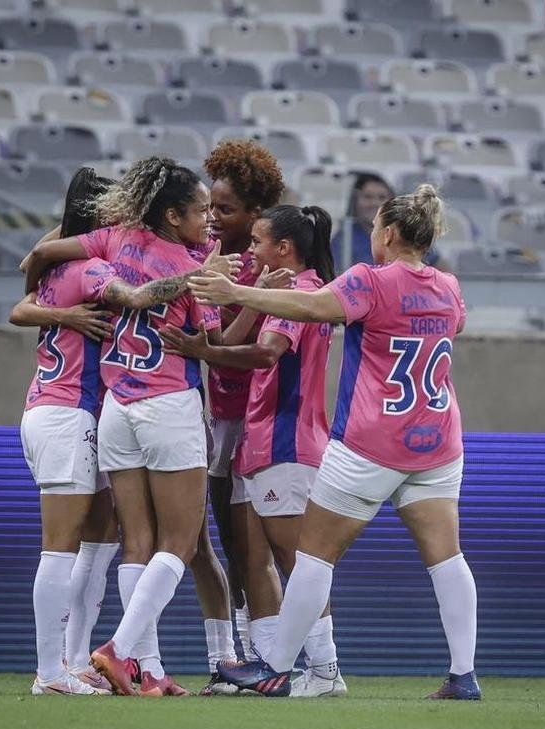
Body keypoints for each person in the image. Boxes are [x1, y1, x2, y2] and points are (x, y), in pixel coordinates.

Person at [189, 185, 480, 700]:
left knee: (314, 556)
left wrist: (238, 293)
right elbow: (448, 327)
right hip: (437, 441)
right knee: (447, 558)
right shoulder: (449, 287)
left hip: (371, 442)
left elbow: (311, 305)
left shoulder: (372, 280)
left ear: (388, 233)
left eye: (374, 229)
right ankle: (463, 675)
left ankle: (275, 668)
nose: (371, 236)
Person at [11, 167, 235, 695]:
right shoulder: (176, 261)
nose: (207, 218)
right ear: (173, 214)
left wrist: (48, 306)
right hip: (163, 404)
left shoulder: (112, 242)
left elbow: (37, 259)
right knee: (178, 542)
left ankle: (146, 667)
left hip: (114, 408)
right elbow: (212, 339)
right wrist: (221, 282)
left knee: (133, 541)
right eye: (200, 210)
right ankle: (115, 651)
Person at [162, 204, 346, 698]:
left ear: (284, 248)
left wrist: (200, 352)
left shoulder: (304, 293)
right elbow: (236, 338)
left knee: (296, 559)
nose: (250, 251)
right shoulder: (279, 290)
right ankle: (266, 666)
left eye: (259, 242)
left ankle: (326, 671)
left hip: (287, 442)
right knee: (255, 555)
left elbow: (265, 352)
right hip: (260, 440)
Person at [193, 140, 286, 688]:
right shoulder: (210, 257)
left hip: (256, 419)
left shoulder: (263, 266)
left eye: (225, 210)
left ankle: (267, 657)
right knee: (230, 543)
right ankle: (242, 659)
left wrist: (237, 293)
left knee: (257, 550)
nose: (213, 220)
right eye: (209, 209)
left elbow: (224, 342)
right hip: (221, 416)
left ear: (256, 215)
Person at [331, 173, 395, 270]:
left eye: (381, 197)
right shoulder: (344, 238)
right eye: (368, 197)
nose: (375, 203)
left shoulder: (403, 236)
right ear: (355, 201)